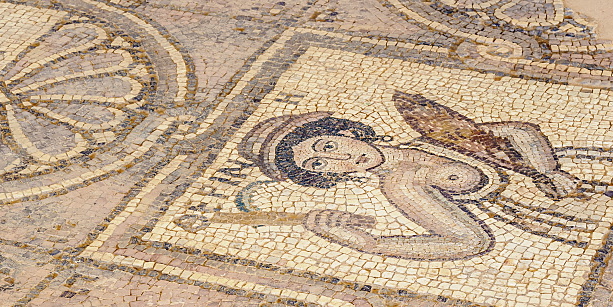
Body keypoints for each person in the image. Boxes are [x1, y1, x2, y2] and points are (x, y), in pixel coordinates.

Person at [236, 93, 581, 260]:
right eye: (319, 165)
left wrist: (547, 170)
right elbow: (469, 241)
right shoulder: (402, 182)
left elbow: (520, 131)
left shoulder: (426, 136)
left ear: (342, 130)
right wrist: (367, 244)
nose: (339, 157)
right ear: (327, 179)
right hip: (557, 216)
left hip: (564, 181)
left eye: (326, 144)